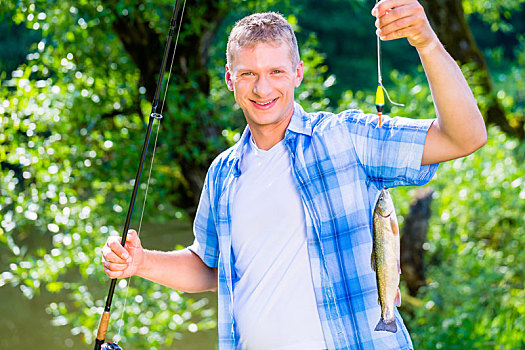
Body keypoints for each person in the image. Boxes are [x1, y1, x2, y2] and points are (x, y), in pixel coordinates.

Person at [102, 1, 486, 349]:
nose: (263, 87)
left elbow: (464, 136)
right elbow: (210, 267)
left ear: (298, 73)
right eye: (248, 73)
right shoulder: (222, 173)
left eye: (276, 71)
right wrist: (140, 263)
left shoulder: (346, 137)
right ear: (229, 78)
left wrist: (427, 43)